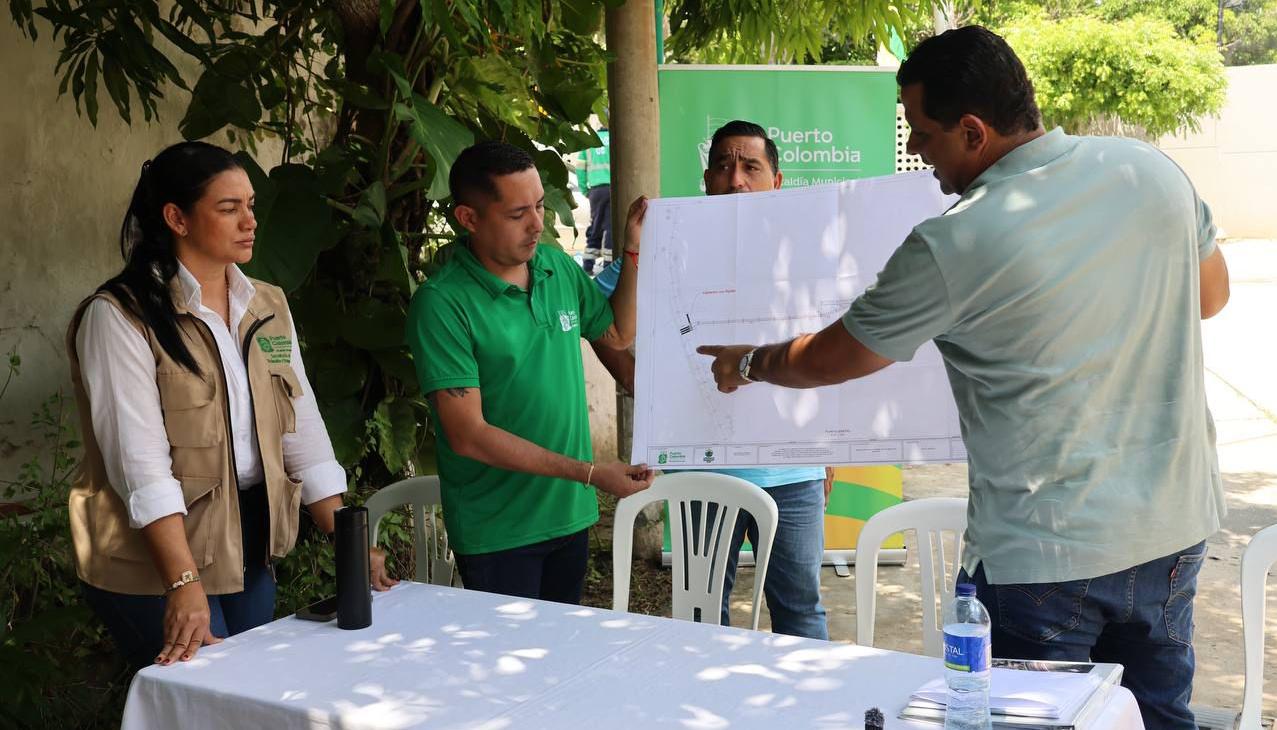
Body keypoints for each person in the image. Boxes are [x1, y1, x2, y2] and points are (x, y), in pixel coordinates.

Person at [697, 27, 1229, 729]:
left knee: (1027, 720)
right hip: (1172, 530)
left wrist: (747, 362)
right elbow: (1209, 296)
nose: (915, 151)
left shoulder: (959, 238)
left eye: (922, 133)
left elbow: (834, 356)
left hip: (1044, 560)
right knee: (1158, 715)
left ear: (973, 132)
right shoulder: (1150, 172)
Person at [67, 141, 397, 672]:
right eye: (228, 208)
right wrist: (182, 580)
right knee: (203, 700)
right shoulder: (120, 315)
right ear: (176, 217)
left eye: (250, 206)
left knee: (256, 688)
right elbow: (140, 465)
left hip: (246, 538)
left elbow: (300, 424)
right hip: (155, 556)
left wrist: (346, 543)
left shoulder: (266, 304)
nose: (249, 221)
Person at [593, 121, 832, 641]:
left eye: (751, 167)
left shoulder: (805, 254)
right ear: (706, 178)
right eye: (724, 166)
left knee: (800, 610)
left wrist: (829, 448)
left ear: (777, 179)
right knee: (702, 613)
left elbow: (826, 355)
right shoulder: (665, 246)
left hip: (793, 469)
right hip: (706, 468)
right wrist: (647, 391)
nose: (736, 179)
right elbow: (603, 325)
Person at [406, 141, 653, 604]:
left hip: (570, 517)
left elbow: (617, 335)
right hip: (499, 532)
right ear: (469, 219)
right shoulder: (442, 304)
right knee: (511, 671)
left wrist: (633, 252)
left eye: (539, 205)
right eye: (518, 213)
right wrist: (591, 472)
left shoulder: (556, 267)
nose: (538, 223)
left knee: (561, 663)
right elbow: (469, 435)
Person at [576, 128, 611, 275]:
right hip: (612, 189)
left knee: (595, 225)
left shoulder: (588, 141)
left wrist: (585, 189)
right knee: (611, 226)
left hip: (595, 191)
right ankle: (609, 265)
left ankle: (588, 264)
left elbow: (580, 168)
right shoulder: (615, 138)